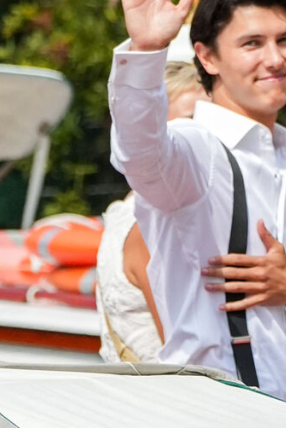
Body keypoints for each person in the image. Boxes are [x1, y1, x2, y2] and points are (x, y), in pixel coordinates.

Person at [107, 0, 286, 405]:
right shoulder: (197, 151)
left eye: (285, 40)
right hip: (215, 411)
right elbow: (140, 154)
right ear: (207, 56)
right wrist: (144, 52)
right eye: (252, 43)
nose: (275, 59)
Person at [96, 61, 208, 363]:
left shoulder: (128, 209)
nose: (206, 135)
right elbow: (184, 358)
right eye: (191, 121)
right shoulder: (154, 223)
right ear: (152, 134)